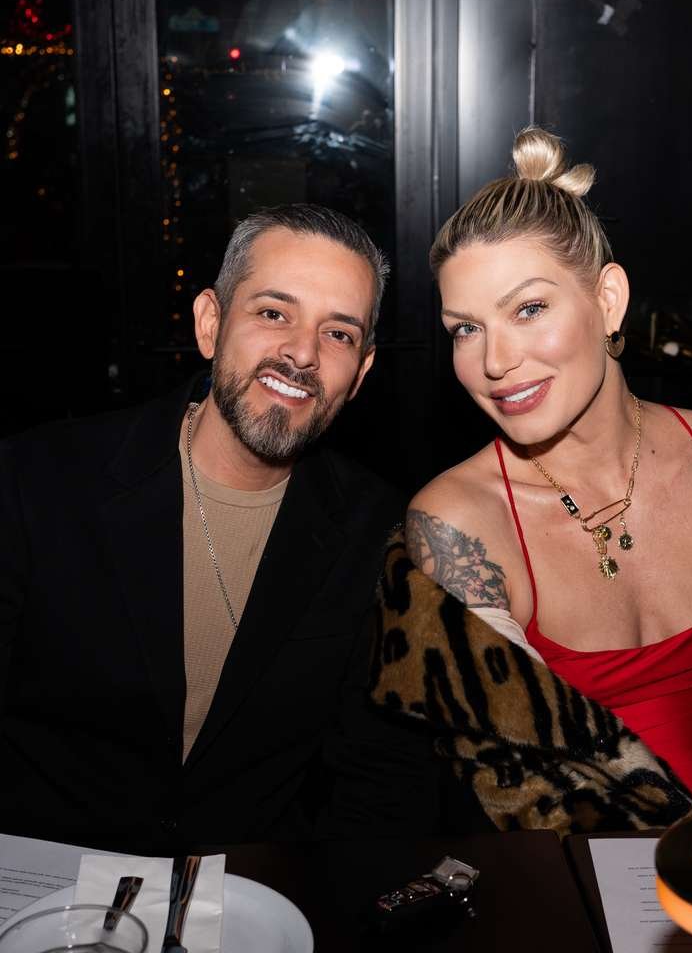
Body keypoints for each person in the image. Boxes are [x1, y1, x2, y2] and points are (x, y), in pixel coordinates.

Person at [370, 128, 692, 834]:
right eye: (465, 329)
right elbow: (523, 794)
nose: (495, 361)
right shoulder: (457, 525)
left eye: (528, 310)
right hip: (575, 892)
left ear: (608, 301)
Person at [0, 203, 441, 852]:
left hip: (255, 900)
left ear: (362, 374)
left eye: (339, 334)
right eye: (273, 313)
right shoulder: (35, 483)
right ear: (211, 323)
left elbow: (382, 774)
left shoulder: (382, 534)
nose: (301, 353)